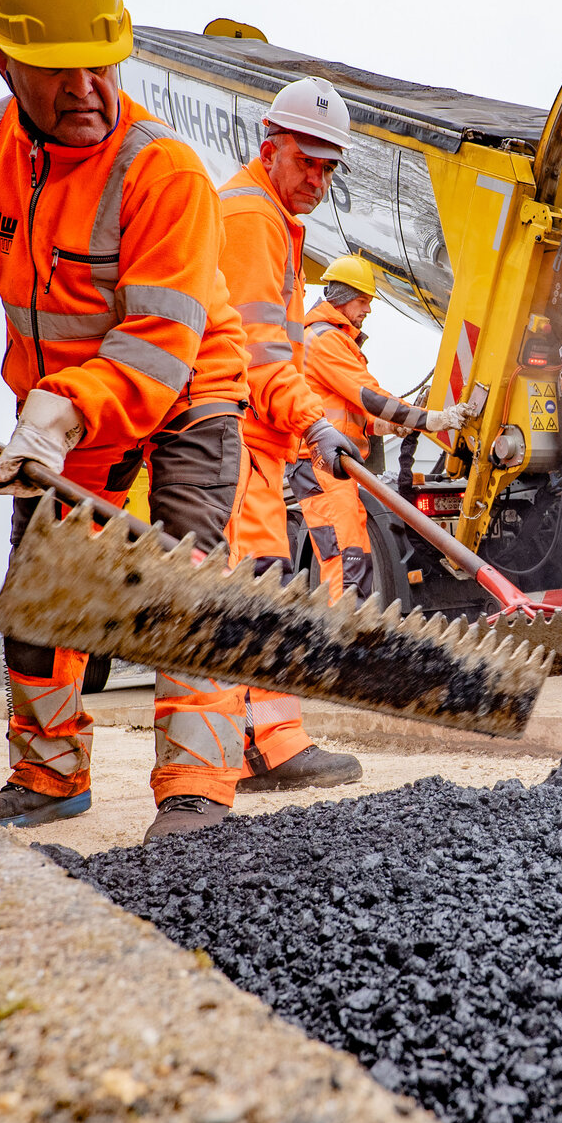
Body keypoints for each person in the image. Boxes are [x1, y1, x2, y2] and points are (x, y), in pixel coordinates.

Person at [0, 0, 254, 840]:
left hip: (184, 384)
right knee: (44, 594)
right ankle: (49, 778)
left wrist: (63, 411)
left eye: (102, 66)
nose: (87, 89)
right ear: (4, 60)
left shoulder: (160, 171)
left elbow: (161, 347)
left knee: (181, 576)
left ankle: (196, 788)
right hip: (56, 405)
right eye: (59, 70)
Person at [216, 81, 401, 791]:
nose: (317, 181)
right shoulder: (251, 217)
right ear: (271, 146)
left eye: (328, 169)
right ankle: (261, 747)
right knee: (256, 589)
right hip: (238, 433)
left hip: (262, 441)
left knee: (264, 587)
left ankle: (266, 742)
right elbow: (260, 353)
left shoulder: (275, 220)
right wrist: (315, 422)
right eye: (307, 162)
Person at [300, 256, 470, 602]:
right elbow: (369, 396)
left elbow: (356, 414)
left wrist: (392, 428)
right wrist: (430, 419)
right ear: (343, 297)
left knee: (351, 552)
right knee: (345, 555)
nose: (368, 311)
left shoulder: (334, 339)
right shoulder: (325, 340)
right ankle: (343, 633)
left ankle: (348, 627)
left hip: (335, 465)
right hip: (323, 463)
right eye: (364, 301)